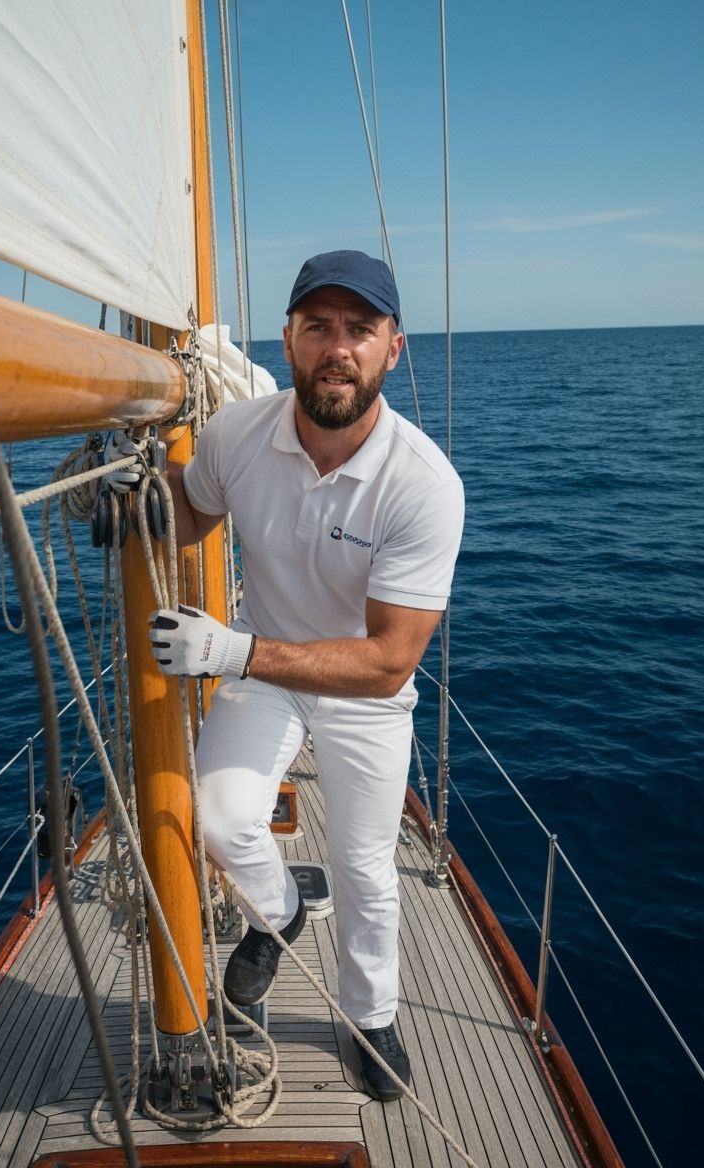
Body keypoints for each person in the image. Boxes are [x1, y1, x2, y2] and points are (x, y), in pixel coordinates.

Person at [146, 249, 464, 1101]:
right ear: (286, 340)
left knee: (365, 868)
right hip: (269, 665)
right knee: (216, 817)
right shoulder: (236, 437)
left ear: (392, 349)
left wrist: (229, 651)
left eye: (359, 329)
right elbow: (192, 511)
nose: (338, 347)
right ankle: (280, 911)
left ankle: (373, 1014)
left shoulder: (422, 485)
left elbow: (391, 656)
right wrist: (137, 494)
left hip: (362, 691)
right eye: (318, 326)